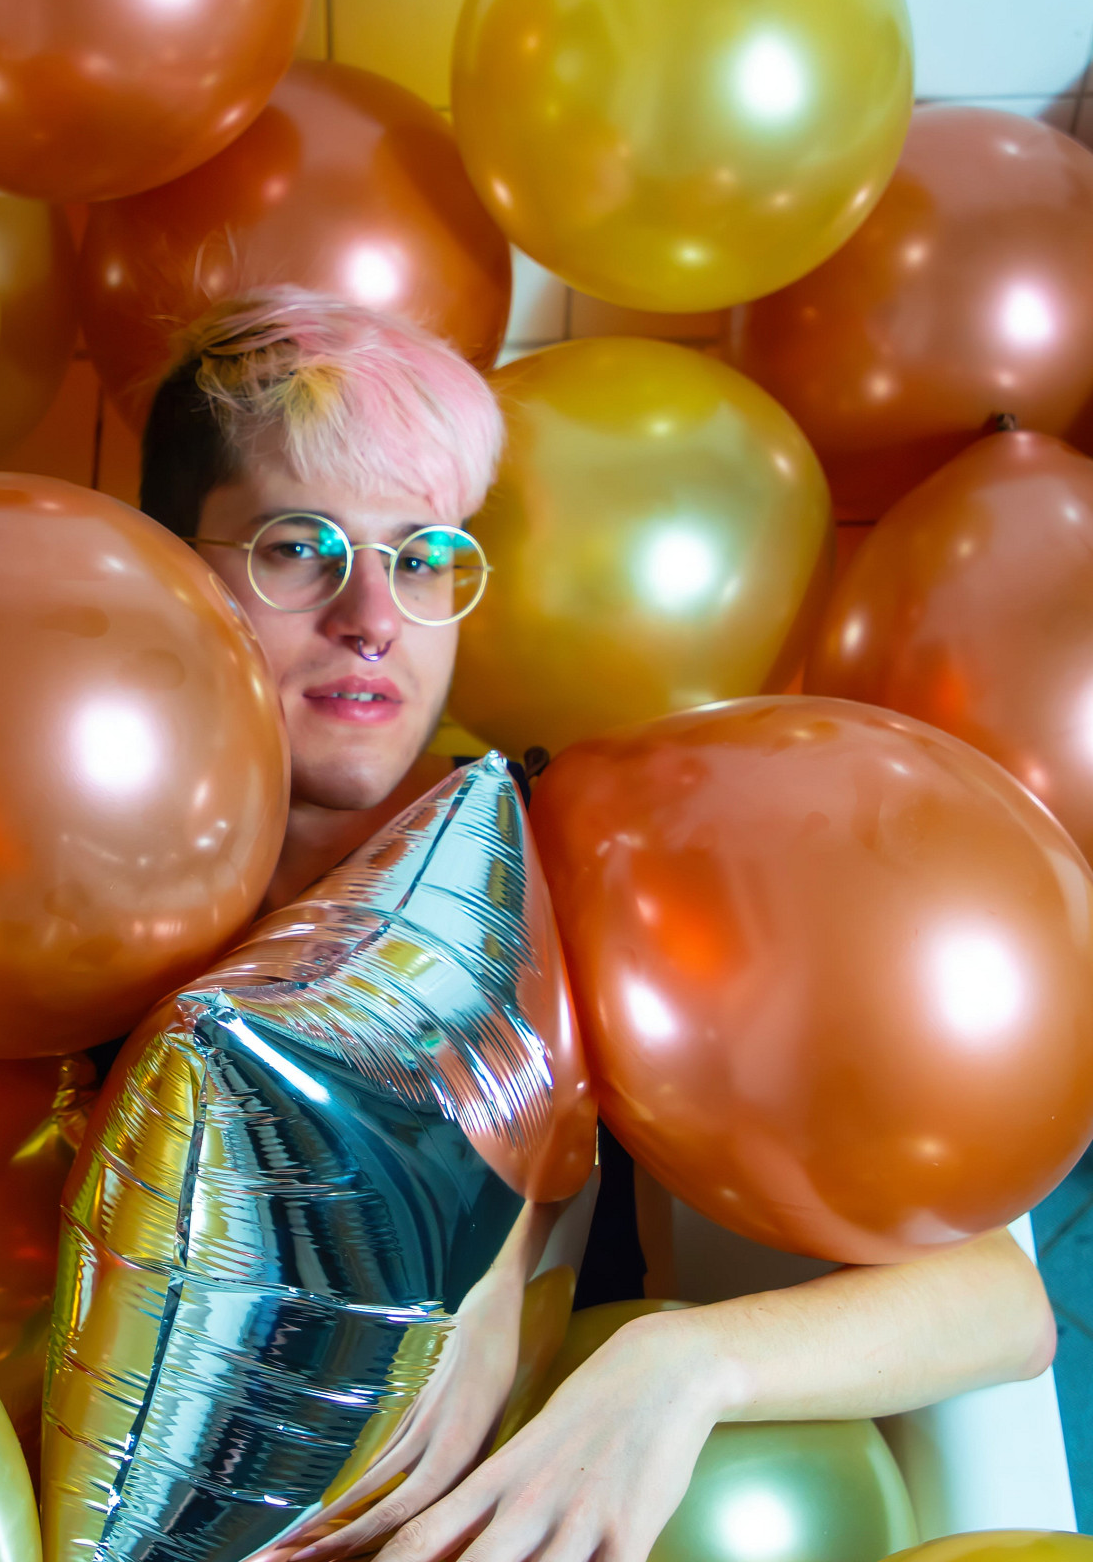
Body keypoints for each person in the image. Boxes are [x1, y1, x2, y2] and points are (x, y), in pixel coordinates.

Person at [137, 286, 1057, 1562]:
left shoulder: (580, 862)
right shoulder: (72, 889)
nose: (373, 618)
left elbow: (1002, 1306)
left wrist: (676, 1368)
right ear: (168, 569)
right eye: (300, 547)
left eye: (421, 556)